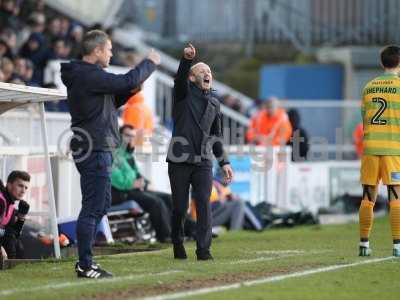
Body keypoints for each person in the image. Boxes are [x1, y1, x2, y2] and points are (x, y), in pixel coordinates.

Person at [60, 29, 160, 278]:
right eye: (108, 49)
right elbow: (124, 80)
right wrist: (149, 63)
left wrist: (133, 89)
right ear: (96, 51)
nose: (111, 53)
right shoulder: (87, 74)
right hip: (93, 148)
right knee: (93, 207)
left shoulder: (88, 77)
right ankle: (85, 264)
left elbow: (110, 102)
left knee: (100, 206)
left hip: (99, 148)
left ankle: (86, 260)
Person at [167, 44, 234, 261]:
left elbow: (216, 137)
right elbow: (178, 80)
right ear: (192, 78)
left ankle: (203, 250)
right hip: (179, 158)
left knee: (204, 204)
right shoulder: (182, 95)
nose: (207, 73)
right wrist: (187, 61)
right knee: (180, 207)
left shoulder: (215, 103)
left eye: (209, 72)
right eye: (201, 71)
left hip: (203, 160)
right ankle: (177, 240)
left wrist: (224, 162)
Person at [358, 45, 400, 257]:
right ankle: (397, 246)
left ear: (382, 63)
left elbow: (364, 122)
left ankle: (364, 244)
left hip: (371, 148)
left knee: (367, 197)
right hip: (393, 150)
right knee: (395, 196)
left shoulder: (368, 87)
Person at [111, 124, 172, 242]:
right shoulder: (115, 154)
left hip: (135, 188)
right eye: (127, 135)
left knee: (169, 198)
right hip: (122, 192)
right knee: (156, 202)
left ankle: (186, 231)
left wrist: (146, 183)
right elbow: (115, 178)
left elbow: (137, 174)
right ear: (120, 136)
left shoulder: (128, 155)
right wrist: (132, 183)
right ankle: (165, 236)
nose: (131, 138)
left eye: (133, 136)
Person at [0, 171, 30, 259]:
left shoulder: (10, 205)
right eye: (20, 186)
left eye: (26, 188)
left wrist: (21, 216)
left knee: (15, 243)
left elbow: (14, 234)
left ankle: (12, 269)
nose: (23, 191)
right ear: (9, 185)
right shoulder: (1, 201)